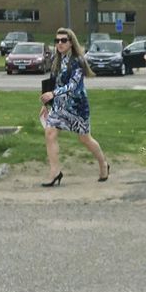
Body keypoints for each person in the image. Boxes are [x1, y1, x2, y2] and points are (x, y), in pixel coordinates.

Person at [39, 27, 110, 186]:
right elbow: (52, 83)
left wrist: (53, 94)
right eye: (57, 40)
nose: (60, 43)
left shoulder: (78, 60)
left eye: (63, 40)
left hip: (77, 107)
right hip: (59, 106)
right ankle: (55, 172)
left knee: (85, 139)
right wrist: (47, 103)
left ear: (71, 42)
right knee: (49, 133)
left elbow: (73, 85)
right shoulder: (56, 60)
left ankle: (103, 164)